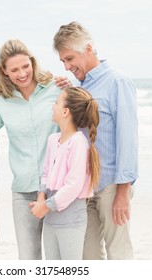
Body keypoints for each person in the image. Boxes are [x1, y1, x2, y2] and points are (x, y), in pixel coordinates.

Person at [0, 39, 70, 260]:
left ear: (33, 63)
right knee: (28, 259)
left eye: (25, 66)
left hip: (58, 188)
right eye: (15, 69)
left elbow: (80, 117)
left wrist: (73, 86)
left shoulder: (56, 89)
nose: (22, 73)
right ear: (5, 72)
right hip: (24, 191)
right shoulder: (3, 103)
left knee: (60, 259)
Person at [53, 21, 139, 260]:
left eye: (70, 59)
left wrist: (123, 192)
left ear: (88, 49)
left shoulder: (117, 82)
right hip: (84, 187)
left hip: (111, 184)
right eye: (63, 62)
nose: (68, 66)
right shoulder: (79, 87)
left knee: (118, 253)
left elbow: (128, 140)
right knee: (87, 255)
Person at [29, 87, 100, 260]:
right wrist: (41, 197)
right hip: (50, 219)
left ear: (65, 111)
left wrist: (46, 206)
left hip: (71, 220)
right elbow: (46, 173)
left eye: (56, 102)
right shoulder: (53, 140)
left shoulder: (78, 143)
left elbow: (73, 186)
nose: (53, 106)